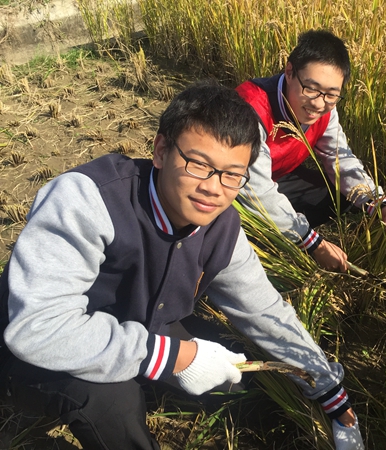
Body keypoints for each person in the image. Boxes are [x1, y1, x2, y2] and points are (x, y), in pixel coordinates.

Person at [0, 81, 364, 449]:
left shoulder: (220, 227)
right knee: (113, 402)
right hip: (33, 351)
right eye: (198, 164)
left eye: (232, 174)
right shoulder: (87, 199)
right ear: (160, 150)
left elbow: (265, 312)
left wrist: (333, 395)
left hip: (138, 326)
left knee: (240, 373)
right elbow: (36, 327)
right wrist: (175, 356)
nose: (214, 188)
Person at [236, 29, 386, 273]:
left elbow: (339, 159)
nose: (318, 103)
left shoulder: (326, 110)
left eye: (331, 95)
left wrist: (380, 203)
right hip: (236, 189)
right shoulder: (251, 108)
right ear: (289, 72)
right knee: (244, 229)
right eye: (310, 88)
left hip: (277, 177)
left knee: (340, 195)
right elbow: (255, 189)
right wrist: (313, 243)